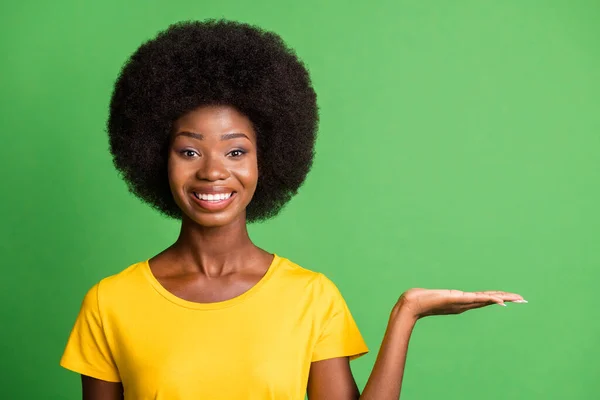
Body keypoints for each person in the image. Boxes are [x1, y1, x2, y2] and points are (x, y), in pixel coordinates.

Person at [60, 19, 526, 400]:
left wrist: (408, 312)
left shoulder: (311, 298)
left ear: (269, 160)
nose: (213, 172)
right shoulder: (110, 303)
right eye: (189, 151)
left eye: (236, 152)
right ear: (154, 157)